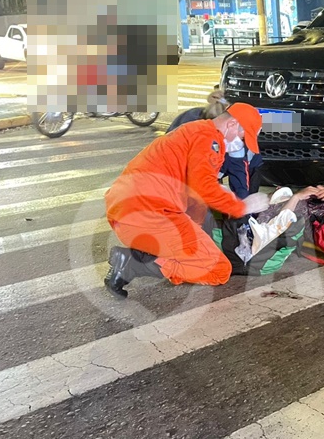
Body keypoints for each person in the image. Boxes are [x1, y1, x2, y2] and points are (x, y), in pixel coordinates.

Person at [103, 102, 270, 298]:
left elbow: (195, 193)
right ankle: (132, 263)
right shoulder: (210, 140)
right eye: (242, 137)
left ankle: (137, 259)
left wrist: (200, 224)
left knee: (197, 251)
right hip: (152, 215)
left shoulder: (193, 130)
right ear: (232, 124)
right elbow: (203, 188)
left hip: (125, 214)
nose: (240, 144)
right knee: (219, 270)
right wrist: (242, 206)